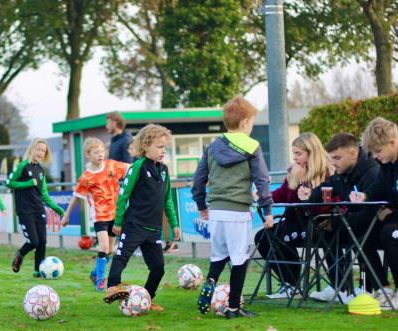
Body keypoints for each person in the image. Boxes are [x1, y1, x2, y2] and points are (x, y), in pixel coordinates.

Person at [192, 96, 273, 319]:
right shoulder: (252, 146)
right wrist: (267, 210)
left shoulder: (212, 146)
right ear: (246, 121)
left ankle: (210, 280)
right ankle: (234, 307)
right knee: (239, 259)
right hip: (238, 211)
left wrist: (201, 204)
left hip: (216, 210)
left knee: (219, 255)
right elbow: (262, 180)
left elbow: (199, 179)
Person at [298, 132, 389, 302]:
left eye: (337, 158)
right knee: (323, 232)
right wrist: (309, 194)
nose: (333, 163)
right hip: (352, 223)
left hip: (375, 225)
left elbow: (371, 213)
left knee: (359, 235)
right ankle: (339, 286)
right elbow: (327, 186)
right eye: (331, 158)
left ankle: (370, 289)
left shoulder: (372, 172)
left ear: (353, 154)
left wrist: (337, 221)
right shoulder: (342, 172)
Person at [103, 124, 181, 312]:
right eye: (159, 146)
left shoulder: (164, 170)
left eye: (165, 147)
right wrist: (118, 222)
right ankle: (112, 287)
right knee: (121, 257)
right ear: (146, 146)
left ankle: (146, 298)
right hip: (133, 225)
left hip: (153, 230)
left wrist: (174, 223)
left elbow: (167, 199)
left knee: (158, 268)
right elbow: (123, 195)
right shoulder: (137, 166)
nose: (163, 150)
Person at [254, 132, 332, 299]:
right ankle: (289, 283)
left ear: (311, 153)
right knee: (263, 236)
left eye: (299, 154)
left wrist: (305, 183)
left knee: (282, 237)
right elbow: (281, 194)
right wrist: (262, 196)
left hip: (315, 225)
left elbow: (321, 205)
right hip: (291, 223)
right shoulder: (294, 173)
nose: (295, 158)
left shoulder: (325, 173)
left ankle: (294, 285)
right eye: (294, 153)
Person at [61, 138, 129, 291]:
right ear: (87, 154)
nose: (100, 154)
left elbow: (131, 168)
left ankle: (95, 273)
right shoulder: (86, 177)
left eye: (102, 151)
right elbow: (76, 197)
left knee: (110, 250)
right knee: (104, 247)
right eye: (96, 152)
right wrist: (66, 215)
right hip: (99, 217)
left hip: (115, 216)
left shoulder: (112, 165)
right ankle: (100, 282)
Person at [7, 137, 65, 277]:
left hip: (39, 209)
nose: (40, 153)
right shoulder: (22, 166)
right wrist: (27, 183)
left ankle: (39, 270)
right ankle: (19, 255)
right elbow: (9, 183)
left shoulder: (40, 171)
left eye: (43, 151)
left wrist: (59, 210)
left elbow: (44, 194)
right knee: (33, 241)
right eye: (38, 149)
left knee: (42, 242)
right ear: (32, 149)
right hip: (24, 211)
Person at [358, 117, 398, 307]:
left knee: (390, 233)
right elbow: (379, 188)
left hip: (394, 222)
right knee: (363, 235)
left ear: (393, 142)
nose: (375, 156)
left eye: (378, 151)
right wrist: (364, 196)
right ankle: (383, 289)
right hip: (393, 218)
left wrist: (390, 212)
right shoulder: (386, 166)